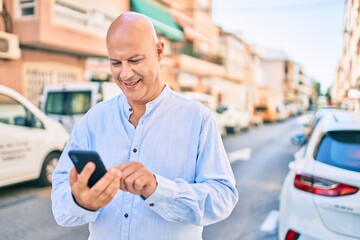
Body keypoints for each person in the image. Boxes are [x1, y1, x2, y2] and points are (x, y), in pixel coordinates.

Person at [51, 11, 238, 240]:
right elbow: (61, 206)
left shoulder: (197, 119)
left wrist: (159, 188)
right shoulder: (93, 120)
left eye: (135, 60)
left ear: (159, 51)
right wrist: (80, 201)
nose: (125, 73)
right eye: (115, 63)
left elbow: (223, 198)